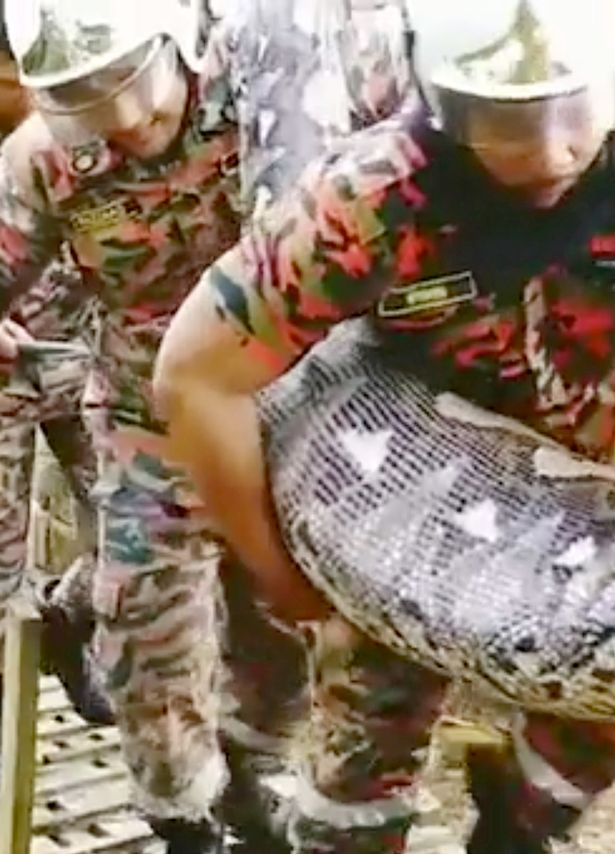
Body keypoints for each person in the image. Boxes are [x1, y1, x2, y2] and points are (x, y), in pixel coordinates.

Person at [155, 0, 615, 851]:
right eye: (509, 121)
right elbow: (196, 375)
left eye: (572, 109)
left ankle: (518, 816)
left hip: (583, 465)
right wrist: (279, 574)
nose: (551, 151)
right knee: (368, 734)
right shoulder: (373, 195)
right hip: (404, 467)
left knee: (588, 722)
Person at [1, 0, 414, 850]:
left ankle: (247, 763)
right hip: (147, 414)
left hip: (286, 405)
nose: (126, 123)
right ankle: (182, 809)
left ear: (181, 39)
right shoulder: (42, 160)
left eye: (136, 87)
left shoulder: (277, 89)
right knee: (144, 621)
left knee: (285, 610)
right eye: (86, 100)